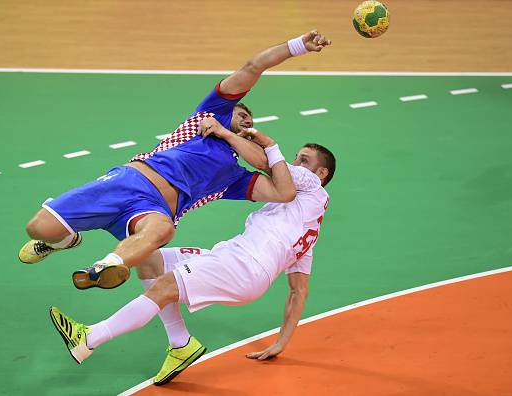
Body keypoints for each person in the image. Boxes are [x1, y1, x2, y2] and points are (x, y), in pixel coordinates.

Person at [18, 30, 332, 290]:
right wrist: (296, 47)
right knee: (38, 227)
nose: (246, 117)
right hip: (129, 181)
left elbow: (282, 192)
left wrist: (239, 138)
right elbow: (252, 67)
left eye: (250, 119)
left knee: (163, 231)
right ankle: (64, 240)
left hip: (151, 211)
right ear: (227, 110)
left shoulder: (234, 176)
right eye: (241, 112)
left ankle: (107, 266)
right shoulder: (205, 117)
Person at [48, 128, 336, 386]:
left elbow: (267, 164)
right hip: (234, 259)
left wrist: (242, 137)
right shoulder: (308, 227)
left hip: (243, 266)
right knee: (151, 258)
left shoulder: (311, 185)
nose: (297, 165)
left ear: (320, 174)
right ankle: (180, 343)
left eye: (304, 160)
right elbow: (298, 291)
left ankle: (88, 339)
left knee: (164, 288)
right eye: (297, 158)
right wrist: (281, 342)